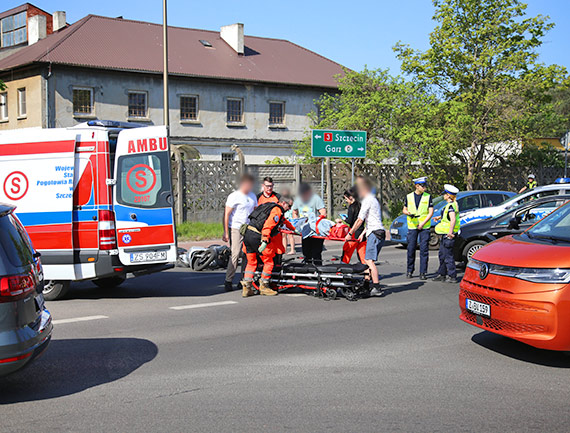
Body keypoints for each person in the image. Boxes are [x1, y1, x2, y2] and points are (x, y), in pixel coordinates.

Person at [241, 196, 297, 297]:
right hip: (258, 236)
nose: (290, 208)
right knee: (269, 262)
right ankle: (264, 286)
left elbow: (283, 221)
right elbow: (269, 225)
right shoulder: (277, 210)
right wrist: (265, 240)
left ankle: (246, 287)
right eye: (289, 206)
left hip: (248, 235)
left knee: (251, 262)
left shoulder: (269, 207)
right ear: (283, 203)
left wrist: (293, 229)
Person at [344, 177, 385, 297]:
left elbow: (359, 220)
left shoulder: (367, 201)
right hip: (378, 231)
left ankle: (376, 287)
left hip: (374, 232)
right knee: (368, 260)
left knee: (368, 260)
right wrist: (363, 234)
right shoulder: (374, 200)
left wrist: (350, 233)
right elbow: (371, 219)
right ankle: (367, 283)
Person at [222, 173, 257, 291]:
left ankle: (243, 279)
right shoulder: (234, 196)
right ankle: (228, 280)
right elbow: (227, 214)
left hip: (248, 228)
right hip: (236, 227)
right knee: (235, 253)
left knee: (247, 254)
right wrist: (226, 232)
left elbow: (255, 212)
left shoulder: (253, 196)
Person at [402, 177, 434, 280]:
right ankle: (410, 270)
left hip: (424, 226)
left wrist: (423, 223)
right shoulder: (409, 196)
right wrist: (407, 213)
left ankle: (423, 272)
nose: (424, 187)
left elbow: (431, 212)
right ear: (417, 186)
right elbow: (404, 209)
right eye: (422, 186)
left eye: (425, 186)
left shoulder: (428, 197)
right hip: (412, 226)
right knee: (411, 249)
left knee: (424, 250)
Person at [292, 182, 326, 265]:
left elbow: (323, 213)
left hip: (315, 231)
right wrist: (297, 223)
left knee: (316, 253)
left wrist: (316, 222)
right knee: (306, 253)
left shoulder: (316, 199)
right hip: (305, 230)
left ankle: (318, 271)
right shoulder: (298, 199)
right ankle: (308, 271)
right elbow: (294, 211)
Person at [432, 184, 461, 283]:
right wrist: (438, 218)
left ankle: (452, 276)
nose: (443, 195)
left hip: (448, 235)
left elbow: (452, 220)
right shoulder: (450, 205)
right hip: (444, 234)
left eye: (445, 194)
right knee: (442, 255)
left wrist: (450, 232)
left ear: (448, 195)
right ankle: (442, 274)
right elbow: (447, 216)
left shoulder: (451, 206)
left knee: (448, 256)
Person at [341, 187, 366, 264]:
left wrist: (344, 219)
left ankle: (343, 270)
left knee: (347, 253)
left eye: (346, 199)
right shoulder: (361, 205)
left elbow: (350, 221)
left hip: (353, 233)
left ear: (351, 197)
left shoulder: (352, 207)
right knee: (363, 256)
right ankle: (367, 273)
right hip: (362, 234)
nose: (346, 201)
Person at [280, 187, 296, 255]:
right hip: (284, 218)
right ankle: (284, 249)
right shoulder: (282, 201)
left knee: (290, 235)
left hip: (289, 219)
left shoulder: (290, 200)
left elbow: (294, 211)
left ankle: (292, 249)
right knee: (283, 235)